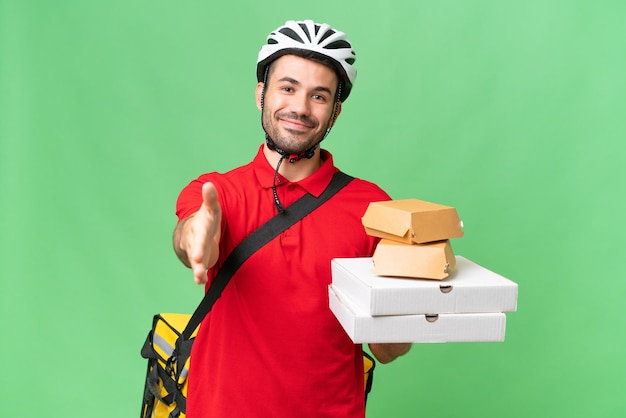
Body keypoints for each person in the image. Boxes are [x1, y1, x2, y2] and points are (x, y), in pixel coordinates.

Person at [173, 19, 412, 418]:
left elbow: (388, 350)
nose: (300, 108)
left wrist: (416, 291)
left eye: (318, 96)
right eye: (287, 88)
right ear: (261, 94)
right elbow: (191, 237)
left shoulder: (374, 209)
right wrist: (195, 237)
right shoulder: (217, 192)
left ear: (335, 112)